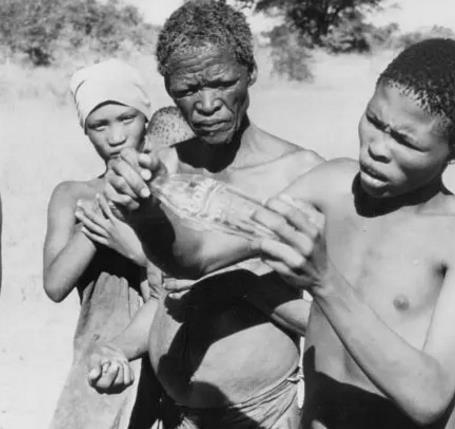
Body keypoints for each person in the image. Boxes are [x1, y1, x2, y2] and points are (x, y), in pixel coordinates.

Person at [248, 39, 455, 428]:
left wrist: (324, 283)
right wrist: (156, 197)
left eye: (405, 141)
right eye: (373, 120)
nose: (377, 148)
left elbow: (430, 398)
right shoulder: (333, 184)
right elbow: (217, 244)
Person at [93, 2, 322, 428]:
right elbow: (165, 299)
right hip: (177, 415)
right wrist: (117, 349)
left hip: (264, 416)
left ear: (251, 72)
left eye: (223, 83)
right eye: (187, 90)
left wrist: (240, 287)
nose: (207, 104)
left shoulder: (299, 173)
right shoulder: (160, 169)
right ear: (168, 88)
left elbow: (335, 318)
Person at [43, 59, 159, 428]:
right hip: (96, 363)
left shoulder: (171, 187)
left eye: (127, 118)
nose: (115, 136)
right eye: (99, 125)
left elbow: (180, 279)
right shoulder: (72, 195)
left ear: (146, 116)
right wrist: (108, 205)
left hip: (163, 360)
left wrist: (135, 250)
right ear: (85, 129)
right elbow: (55, 285)